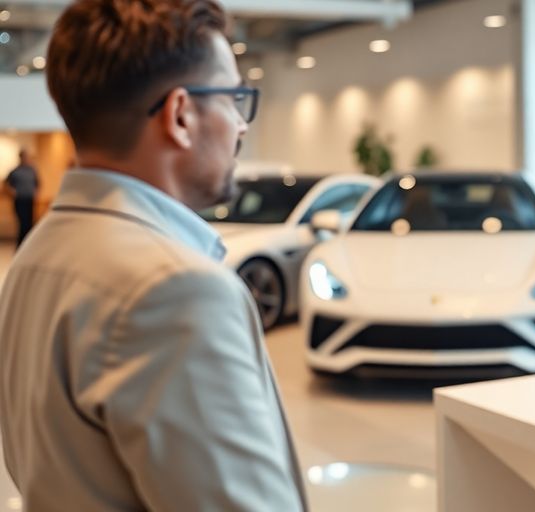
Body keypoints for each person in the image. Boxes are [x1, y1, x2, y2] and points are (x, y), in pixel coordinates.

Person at [0, 1, 306, 511]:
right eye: (233, 98)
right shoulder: (176, 289)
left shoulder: (40, 252)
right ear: (181, 114)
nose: (241, 125)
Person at [5, 150, 38, 247]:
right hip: (20, 201)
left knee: (30, 224)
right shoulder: (15, 171)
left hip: (30, 200)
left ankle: (28, 246)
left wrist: (35, 192)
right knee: (23, 224)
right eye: (26, 156)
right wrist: (12, 191)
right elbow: (6, 184)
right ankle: (20, 246)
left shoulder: (32, 170)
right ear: (21, 158)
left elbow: (37, 183)